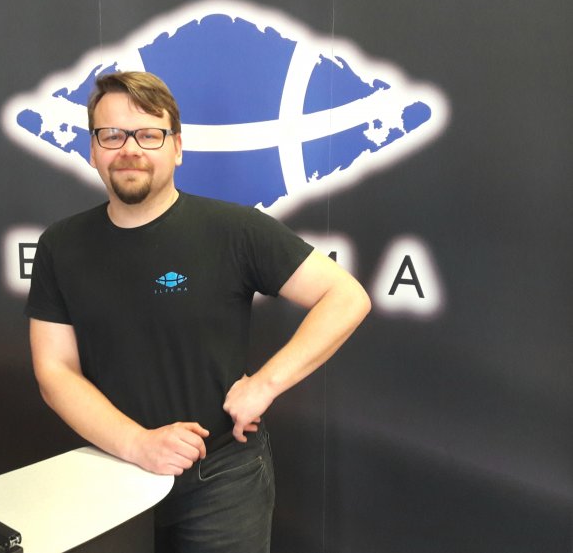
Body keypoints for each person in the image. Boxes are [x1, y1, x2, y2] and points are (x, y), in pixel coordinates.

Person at [25, 71, 371, 553]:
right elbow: (55, 371)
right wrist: (136, 443)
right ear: (93, 150)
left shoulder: (234, 230)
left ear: (177, 148)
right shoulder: (60, 246)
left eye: (149, 134)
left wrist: (264, 385)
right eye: (112, 135)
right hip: (111, 472)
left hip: (222, 480)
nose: (130, 149)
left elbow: (346, 297)